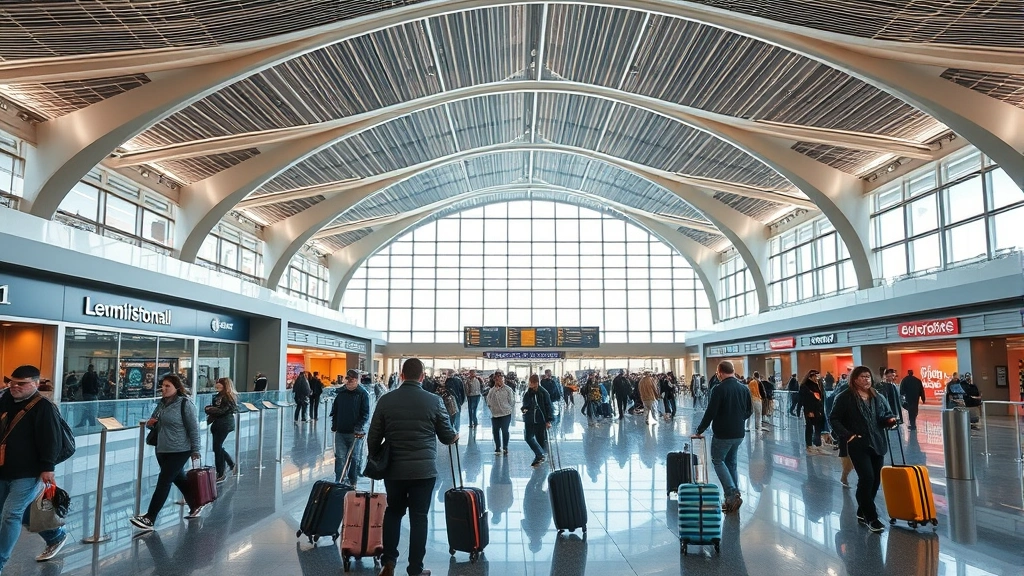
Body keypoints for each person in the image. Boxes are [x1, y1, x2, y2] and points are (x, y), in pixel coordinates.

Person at [367, 358, 457, 576]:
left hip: (394, 470)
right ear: (422, 377)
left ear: (401, 375)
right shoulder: (433, 401)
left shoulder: (386, 400)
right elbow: (447, 437)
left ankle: (389, 562)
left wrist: (379, 457)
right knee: (419, 518)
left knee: (394, 513)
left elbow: (373, 438)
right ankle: (415, 569)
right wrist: (455, 436)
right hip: (423, 472)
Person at [0, 366, 70, 568]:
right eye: (11, 381)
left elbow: (51, 440)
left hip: (28, 472)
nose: (14, 386)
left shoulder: (43, 407)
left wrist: (48, 467)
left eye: (21, 383)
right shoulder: (5, 401)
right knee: (15, 512)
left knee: (11, 514)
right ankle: (55, 535)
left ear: (36, 383)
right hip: (5, 468)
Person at [828, 366, 898, 533]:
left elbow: (886, 414)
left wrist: (889, 420)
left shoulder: (877, 396)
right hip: (858, 444)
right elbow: (834, 418)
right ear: (854, 379)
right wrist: (848, 435)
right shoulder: (845, 397)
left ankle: (862, 511)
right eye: (862, 377)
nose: (866, 379)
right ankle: (872, 517)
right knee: (866, 478)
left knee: (875, 481)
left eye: (868, 376)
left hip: (877, 442)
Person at [131, 374, 202, 531]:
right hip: (162, 448)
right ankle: (196, 504)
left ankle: (150, 517)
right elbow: (155, 424)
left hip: (180, 449)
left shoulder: (185, 404)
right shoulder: (161, 404)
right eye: (162, 386)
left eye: (167, 386)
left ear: (177, 387)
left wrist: (196, 450)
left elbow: (194, 429)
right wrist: (150, 424)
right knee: (179, 479)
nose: (163, 389)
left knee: (164, 480)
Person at [694, 361, 752, 513]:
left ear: (719, 372)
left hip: (723, 434)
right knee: (731, 462)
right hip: (739, 433)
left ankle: (731, 493)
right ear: (733, 371)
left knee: (718, 461)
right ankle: (736, 493)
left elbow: (711, 412)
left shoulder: (718, 389)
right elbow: (749, 411)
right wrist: (739, 420)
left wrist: (700, 430)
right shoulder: (743, 388)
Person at [331, 369, 371, 486]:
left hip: (355, 433)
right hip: (341, 431)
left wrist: (359, 427)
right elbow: (335, 410)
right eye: (348, 379)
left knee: (354, 458)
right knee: (340, 457)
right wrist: (335, 424)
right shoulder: (341, 393)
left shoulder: (362, 394)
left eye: (352, 379)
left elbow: (365, 413)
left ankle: (353, 480)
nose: (349, 381)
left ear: (357, 380)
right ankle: (339, 481)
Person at [204, 377, 237, 483]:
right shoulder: (218, 396)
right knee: (217, 447)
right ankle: (230, 465)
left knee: (217, 447)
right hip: (218, 424)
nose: (216, 385)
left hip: (224, 425)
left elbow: (223, 410)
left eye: (219, 383)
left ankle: (221, 472)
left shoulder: (227, 397)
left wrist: (211, 410)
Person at [521, 374, 554, 468]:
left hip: (540, 420)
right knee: (528, 437)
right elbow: (525, 404)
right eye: (530, 382)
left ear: (536, 383)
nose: (530, 384)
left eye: (532, 383)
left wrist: (548, 420)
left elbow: (549, 407)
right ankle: (540, 455)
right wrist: (524, 409)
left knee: (540, 439)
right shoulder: (528, 393)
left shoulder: (543, 393)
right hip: (529, 419)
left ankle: (539, 457)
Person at [485, 371, 515, 455]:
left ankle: (505, 447)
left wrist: (507, 407)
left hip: (506, 413)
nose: (500, 381)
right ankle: (497, 448)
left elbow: (512, 401)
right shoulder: (492, 390)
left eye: (501, 379)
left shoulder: (508, 389)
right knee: (495, 431)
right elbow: (488, 400)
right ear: (495, 380)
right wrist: (492, 407)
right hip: (495, 414)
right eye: (497, 379)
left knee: (505, 430)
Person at [800, 371, 827, 454]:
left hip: (818, 410)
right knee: (809, 428)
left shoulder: (817, 385)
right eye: (815, 376)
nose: (817, 378)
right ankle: (809, 445)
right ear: (810, 377)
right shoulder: (805, 386)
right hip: (810, 410)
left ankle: (818, 445)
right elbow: (804, 399)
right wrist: (808, 411)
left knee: (818, 427)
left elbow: (820, 398)